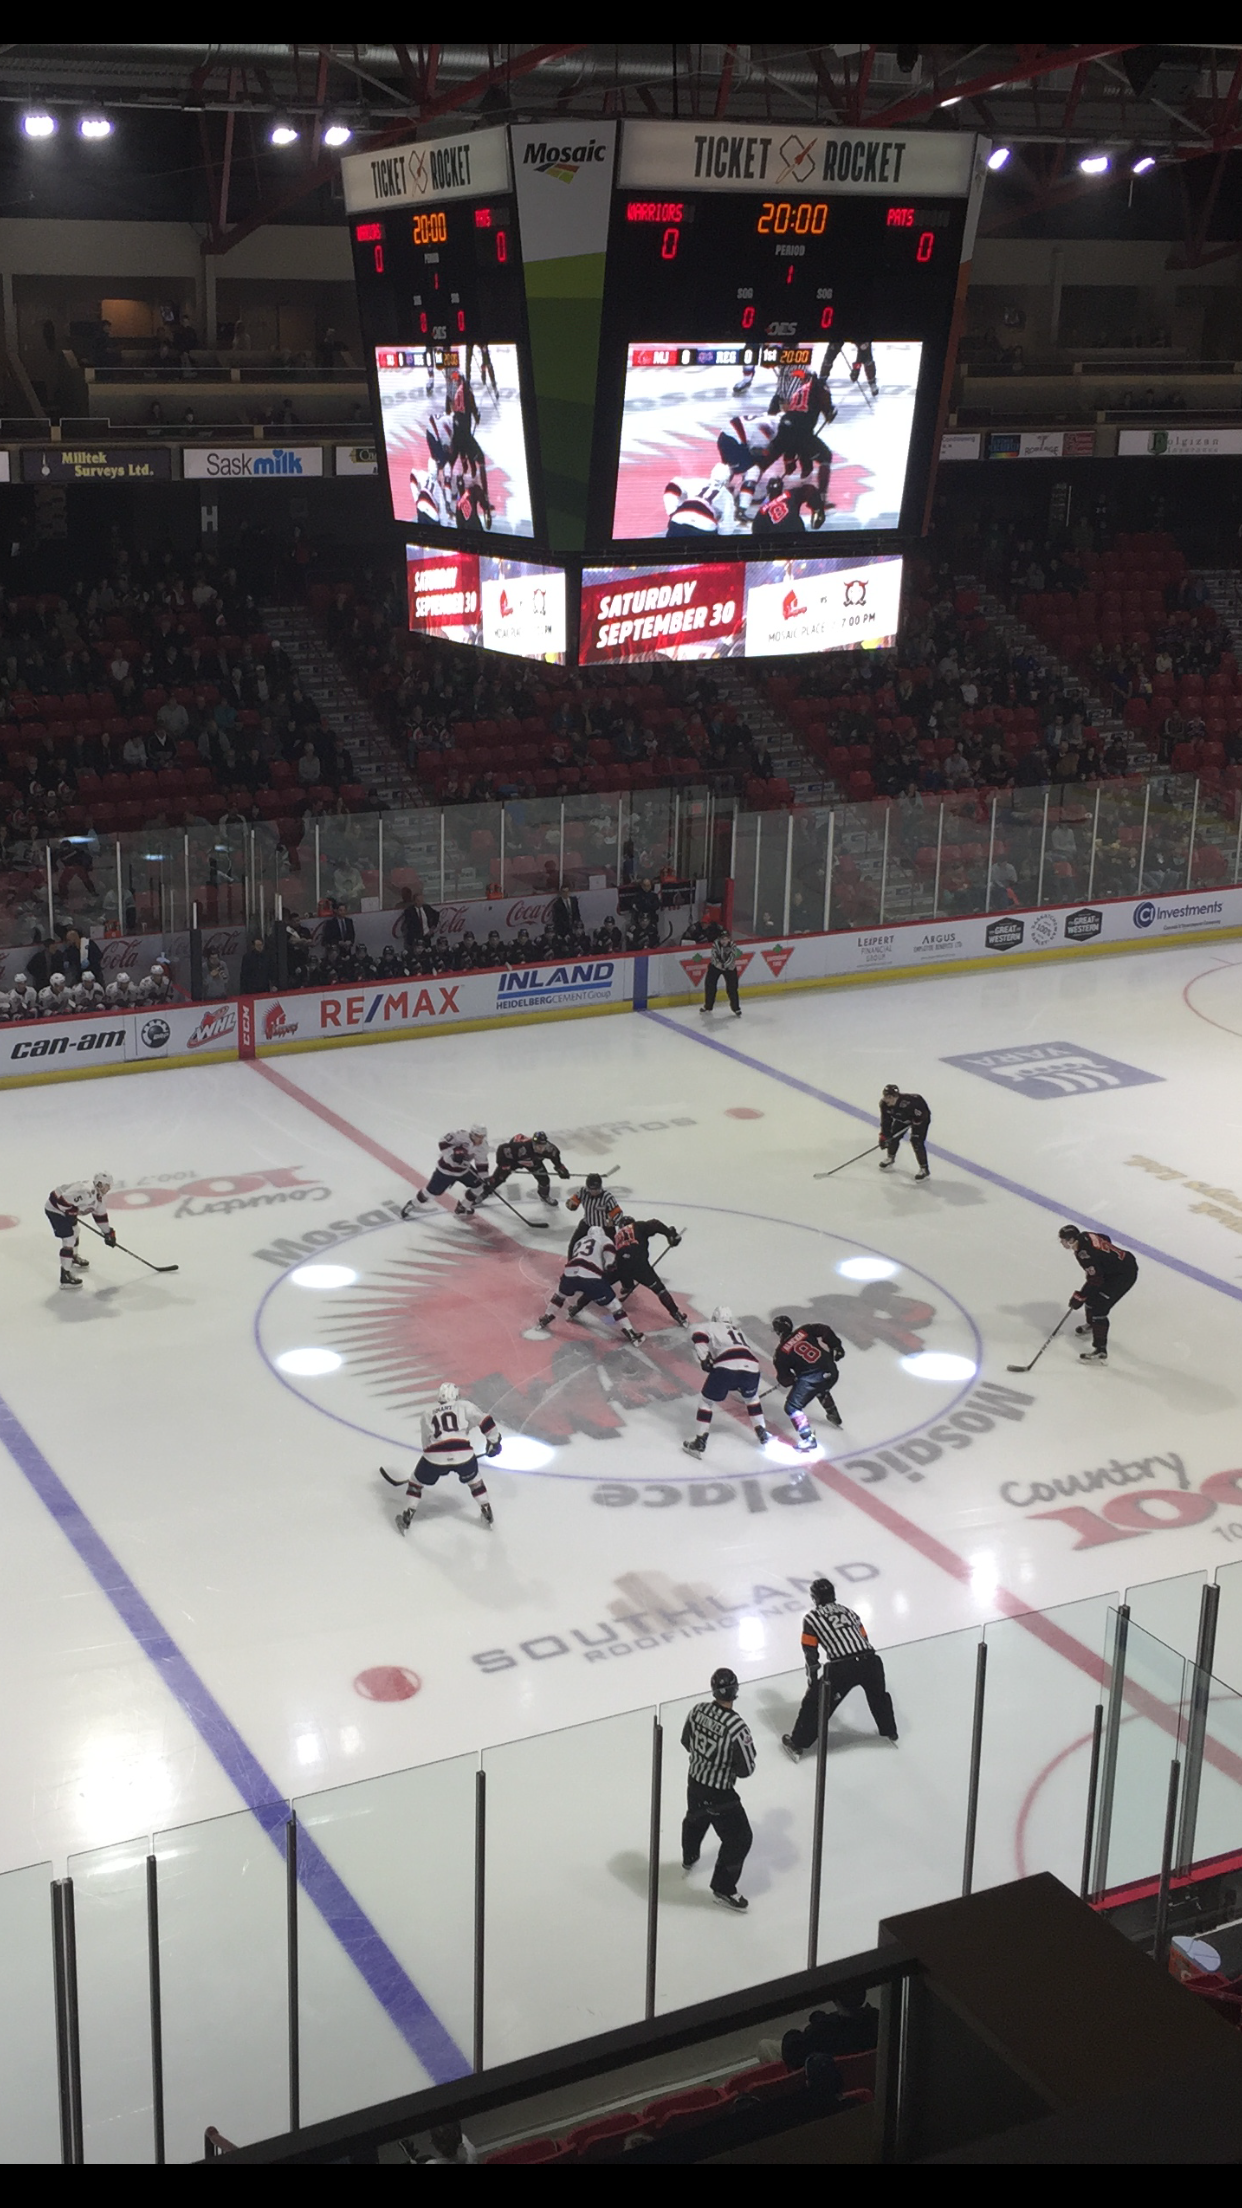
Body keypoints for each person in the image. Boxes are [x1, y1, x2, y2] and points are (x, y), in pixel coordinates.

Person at [782, 1577, 898, 1759]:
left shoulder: (812, 1618)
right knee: (879, 1698)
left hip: (843, 1666)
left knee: (816, 1703)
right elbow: (864, 1638)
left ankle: (797, 1743)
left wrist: (813, 1682)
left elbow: (811, 1654)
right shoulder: (849, 1611)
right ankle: (890, 1731)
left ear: (815, 1598)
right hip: (871, 1661)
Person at [681, 1667, 756, 1912]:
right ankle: (723, 1888)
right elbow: (746, 1769)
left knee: (695, 1818)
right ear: (735, 1690)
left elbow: (686, 1742)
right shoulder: (737, 1727)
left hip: (695, 1781)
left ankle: (689, 1855)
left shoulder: (697, 1710)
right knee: (739, 1838)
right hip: (720, 1793)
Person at [385, 1382, 498, 1531]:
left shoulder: (427, 1414)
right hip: (463, 1455)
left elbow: (426, 1444)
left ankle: (408, 1514)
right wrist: (494, 1441)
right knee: (474, 1480)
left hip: (434, 1457)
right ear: (456, 1395)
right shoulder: (463, 1406)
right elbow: (485, 1420)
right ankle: (486, 1510)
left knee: (416, 1482)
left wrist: (431, 1465)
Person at [536, 1220, 642, 1343]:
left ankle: (547, 1316)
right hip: (591, 1276)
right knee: (614, 1305)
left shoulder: (579, 1241)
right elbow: (609, 1256)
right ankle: (630, 1332)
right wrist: (609, 1266)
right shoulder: (604, 1239)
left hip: (570, 1273)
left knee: (559, 1296)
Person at [683, 1307, 770, 1456]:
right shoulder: (739, 1330)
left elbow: (698, 1335)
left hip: (726, 1366)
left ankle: (700, 1440)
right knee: (752, 1398)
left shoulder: (710, 1326)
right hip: (752, 1366)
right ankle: (761, 1429)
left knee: (706, 1402)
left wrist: (704, 1358)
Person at [1059, 1224, 1138, 1364]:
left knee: (1099, 1309)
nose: (1061, 1242)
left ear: (1071, 1240)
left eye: (1063, 1240)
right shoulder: (1085, 1235)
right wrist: (1107, 1260)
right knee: (1091, 1299)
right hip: (1117, 1268)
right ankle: (1092, 1325)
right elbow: (1105, 1238)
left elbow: (1095, 1279)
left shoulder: (1085, 1254)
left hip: (1124, 1275)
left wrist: (1079, 1296)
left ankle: (1101, 1351)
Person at [772, 1314, 845, 1448]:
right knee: (819, 1387)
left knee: (792, 1407)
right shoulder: (804, 1330)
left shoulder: (781, 1352)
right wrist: (836, 1346)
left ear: (777, 1331)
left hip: (813, 1379)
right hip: (832, 1372)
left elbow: (785, 1379)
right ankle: (833, 1414)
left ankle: (808, 1439)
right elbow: (825, 1329)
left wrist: (793, 1380)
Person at [611, 1215, 687, 1328]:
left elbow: (612, 1258)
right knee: (660, 1290)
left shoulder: (616, 1237)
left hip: (622, 1265)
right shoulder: (637, 1226)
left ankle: (626, 1285)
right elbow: (655, 1223)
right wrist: (669, 1234)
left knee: (606, 1280)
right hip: (639, 1264)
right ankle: (676, 1314)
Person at [45, 1171, 115, 1290]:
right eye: (107, 1186)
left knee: (75, 1231)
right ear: (99, 1184)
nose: (108, 1189)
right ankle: (65, 1277)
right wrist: (70, 1211)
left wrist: (108, 1232)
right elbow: (62, 1201)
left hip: (66, 1210)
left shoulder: (100, 1197)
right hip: (55, 1209)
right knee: (69, 1239)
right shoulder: (85, 1191)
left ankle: (72, 1257)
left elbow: (100, 1216)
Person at [404, 1127, 489, 1219]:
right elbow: (442, 1143)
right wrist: (453, 1154)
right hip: (446, 1171)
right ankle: (413, 1203)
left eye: (482, 1137)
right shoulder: (460, 1136)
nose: (480, 1139)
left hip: (463, 1171)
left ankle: (463, 1207)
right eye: (478, 1136)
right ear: (472, 1134)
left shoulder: (483, 1146)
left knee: (480, 1186)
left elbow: (481, 1163)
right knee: (430, 1193)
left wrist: (485, 1178)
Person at [482, 1131, 570, 1210]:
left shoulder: (550, 1149)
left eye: (543, 1146)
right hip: (514, 1160)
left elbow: (556, 1161)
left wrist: (561, 1169)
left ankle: (544, 1195)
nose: (540, 1148)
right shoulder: (521, 1147)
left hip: (533, 1162)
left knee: (544, 1179)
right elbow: (501, 1149)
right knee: (498, 1178)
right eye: (538, 1145)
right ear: (533, 1143)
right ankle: (484, 1193)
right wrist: (504, 1164)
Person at [879, 1083, 931, 1179]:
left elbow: (923, 1113)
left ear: (895, 1097)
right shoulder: (884, 1105)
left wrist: (917, 1120)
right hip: (901, 1119)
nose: (886, 1099)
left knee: (916, 1141)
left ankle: (924, 1169)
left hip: (920, 1121)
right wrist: (884, 1136)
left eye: (889, 1097)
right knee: (892, 1137)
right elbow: (886, 1121)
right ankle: (890, 1158)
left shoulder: (910, 1102)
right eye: (885, 1096)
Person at [701, 930, 742, 1018]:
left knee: (732, 988)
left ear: (729, 939)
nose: (724, 941)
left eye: (726, 939)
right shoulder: (715, 944)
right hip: (716, 966)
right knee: (710, 986)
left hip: (729, 967)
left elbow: (732, 957)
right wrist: (719, 965)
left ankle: (736, 1008)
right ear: (719, 939)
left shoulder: (733, 945)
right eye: (722, 939)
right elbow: (714, 956)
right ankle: (708, 1006)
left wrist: (725, 965)